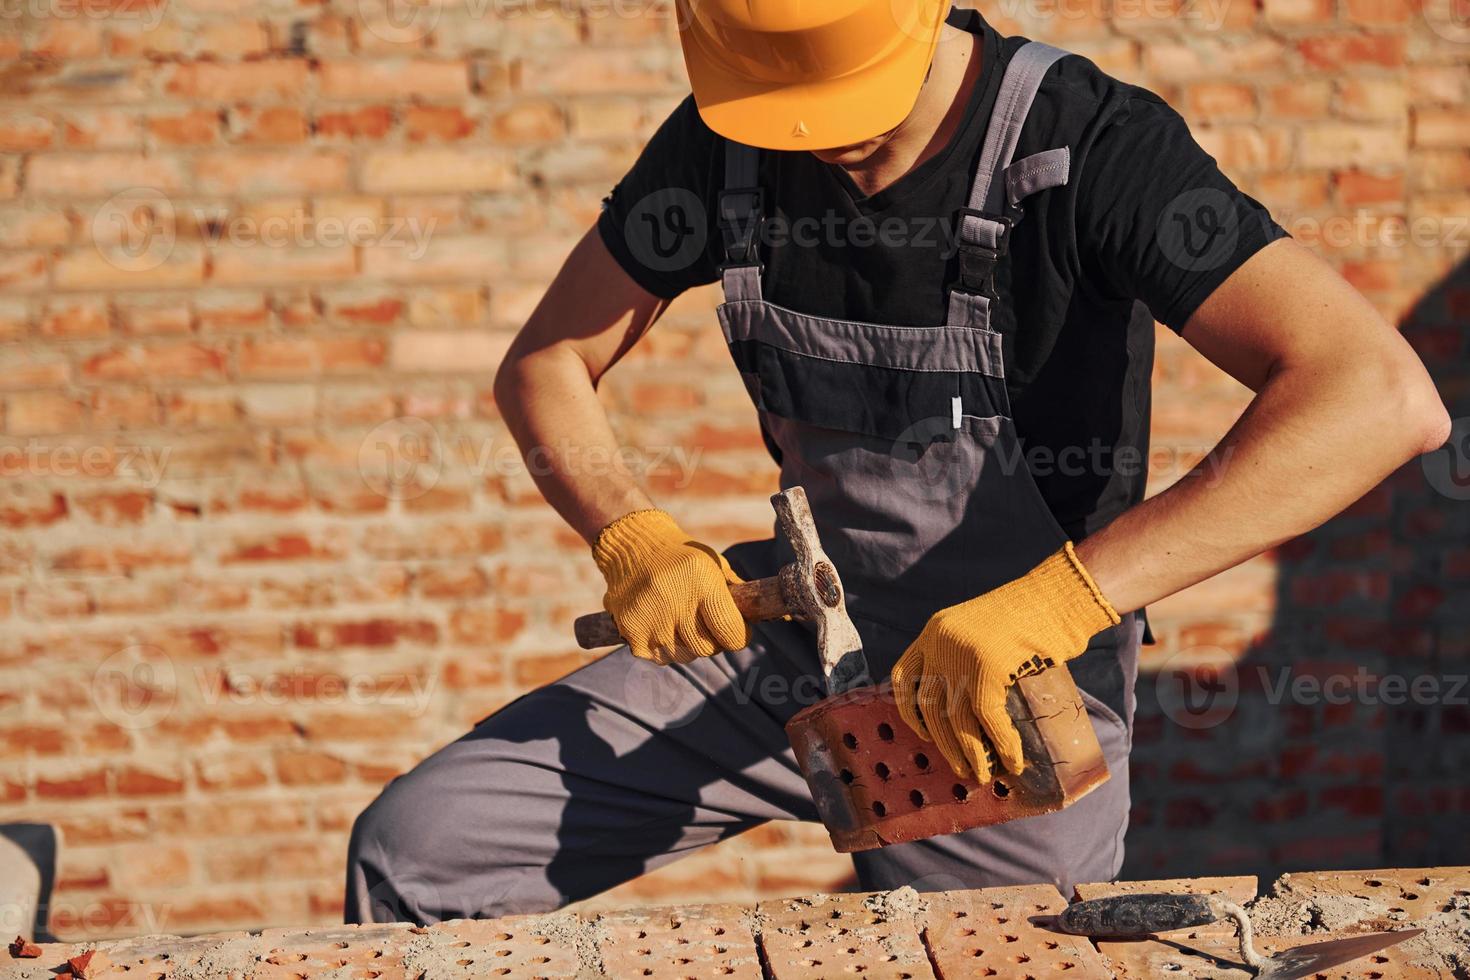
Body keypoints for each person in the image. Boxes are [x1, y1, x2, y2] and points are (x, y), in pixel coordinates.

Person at [345, 0, 1449, 924]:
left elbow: (1378, 396)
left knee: (993, 952)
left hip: (1007, 694)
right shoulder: (731, 135)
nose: (821, 143)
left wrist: (1063, 601)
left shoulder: (1091, 147)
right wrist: (628, 532)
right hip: (797, 640)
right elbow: (546, 362)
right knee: (419, 849)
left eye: (848, 112)